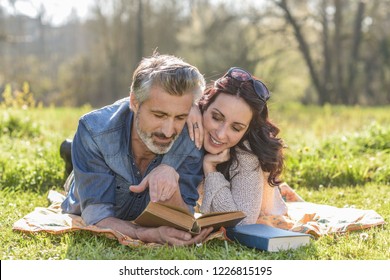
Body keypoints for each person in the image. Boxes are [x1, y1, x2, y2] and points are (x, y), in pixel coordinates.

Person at [60, 53, 213, 245]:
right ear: (134, 102)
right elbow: (97, 217)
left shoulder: (192, 139)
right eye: (159, 115)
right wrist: (144, 234)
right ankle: (71, 156)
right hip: (86, 173)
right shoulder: (94, 132)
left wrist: (170, 182)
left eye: (180, 117)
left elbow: (185, 217)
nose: (168, 131)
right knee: (75, 180)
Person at [195, 67, 288, 224]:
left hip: (260, 206)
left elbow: (241, 222)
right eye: (216, 117)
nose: (221, 134)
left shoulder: (247, 153)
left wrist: (210, 170)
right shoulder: (186, 121)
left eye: (236, 128)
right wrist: (190, 109)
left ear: (247, 130)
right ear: (204, 106)